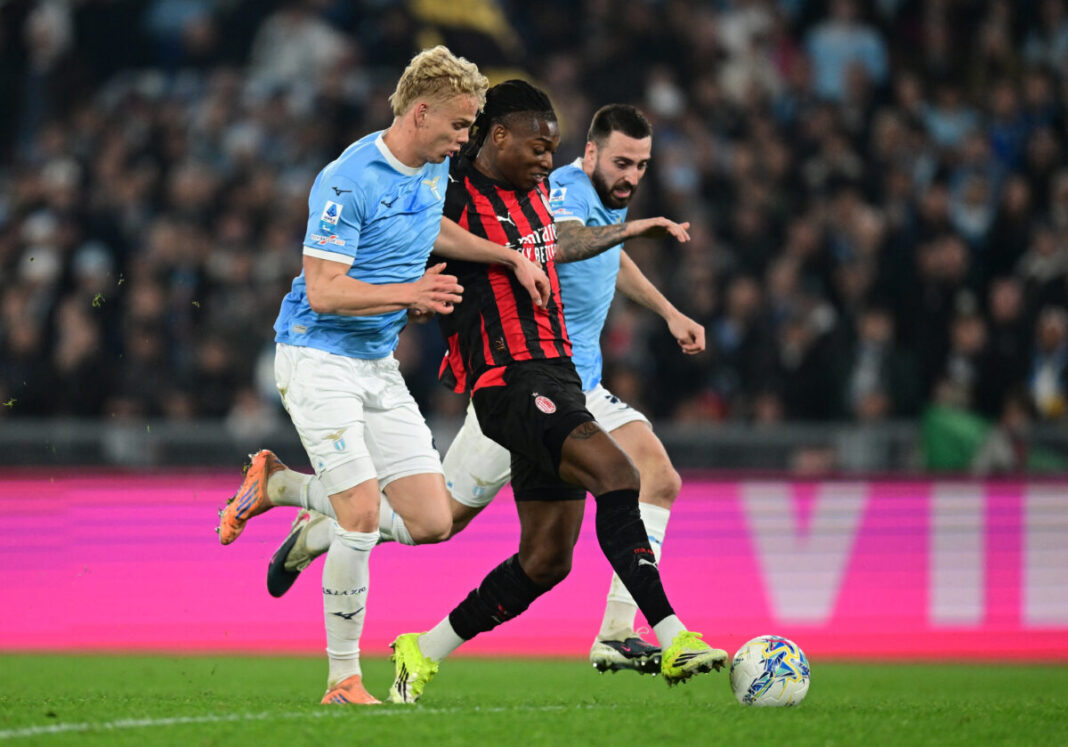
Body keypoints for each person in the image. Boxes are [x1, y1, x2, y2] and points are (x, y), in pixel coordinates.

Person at [265, 104, 707, 677]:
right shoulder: (564, 190)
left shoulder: (603, 202)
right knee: (437, 521)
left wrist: (669, 311)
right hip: (523, 382)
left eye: (642, 165)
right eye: (622, 162)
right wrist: (632, 228)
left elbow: (609, 258)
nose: (632, 176)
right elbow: (566, 240)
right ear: (590, 153)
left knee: (657, 479)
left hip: (579, 385)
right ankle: (317, 517)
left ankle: (618, 632)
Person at [214, 46, 550, 707]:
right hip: (317, 358)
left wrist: (507, 257)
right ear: (420, 112)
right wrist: (410, 295)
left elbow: (433, 229)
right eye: (459, 125)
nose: (465, 140)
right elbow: (323, 290)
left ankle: (281, 486)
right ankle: (343, 679)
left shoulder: (430, 167)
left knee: (431, 520)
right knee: (363, 515)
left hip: (375, 363)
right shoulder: (348, 179)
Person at [384, 79, 727, 704]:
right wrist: (417, 294)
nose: (548, 159)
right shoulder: (455, 192)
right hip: (508, 381)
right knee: (620, 476)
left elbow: (567, 243)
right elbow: (556, 241)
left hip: (561, 376)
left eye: (552, 148)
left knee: (546, 560)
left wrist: (663, 303)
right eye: (538, 148)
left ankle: (422, 649)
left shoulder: (536, 193)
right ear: (497, 137)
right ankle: (671, 635)